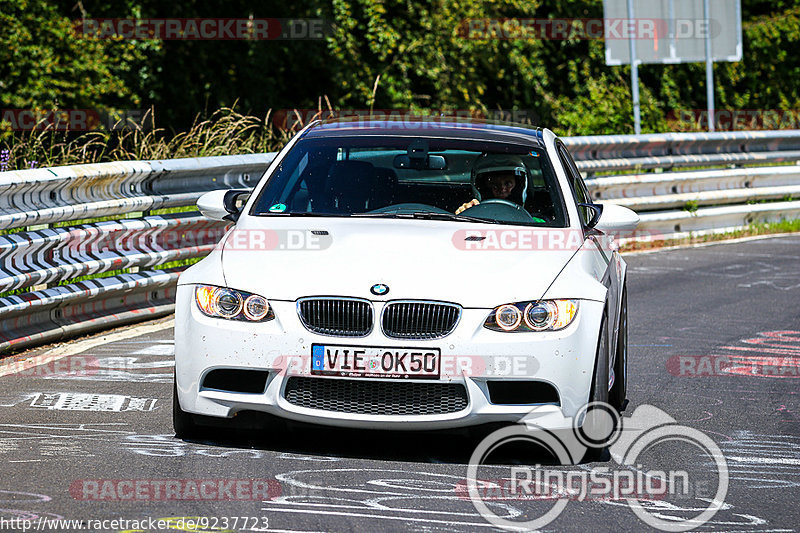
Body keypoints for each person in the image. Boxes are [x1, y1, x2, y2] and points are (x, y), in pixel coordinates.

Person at [456, 154, 528, 214]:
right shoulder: (471, 211)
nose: (502, 189)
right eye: (494, 184)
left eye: (508, 184)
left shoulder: (534, 221)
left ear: (518, 185)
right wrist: (464, 215)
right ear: (483, 186)